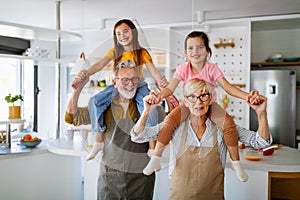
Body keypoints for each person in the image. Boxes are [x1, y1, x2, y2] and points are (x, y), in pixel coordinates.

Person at [143, 31, 263, 181]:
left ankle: (236, 163)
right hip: (188, 105)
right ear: (185, 53)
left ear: (207, 51)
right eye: (191, 48)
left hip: (210, 105)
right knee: (169, 122)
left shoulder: (212, 68)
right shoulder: (182, 69)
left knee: (229, 124)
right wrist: (160, 95)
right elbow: (170, 88)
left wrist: (247, 96)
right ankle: (156, 158)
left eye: (200, 47)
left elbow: (228, 87)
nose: (195, 51)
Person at [131, 79, 272, 199]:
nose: (198, 102)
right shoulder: (175, 126)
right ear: (185, 101)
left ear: (210, 99)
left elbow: (261, 142)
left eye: (203, 96)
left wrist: (261, 114)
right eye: (192, 97)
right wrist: (146, 112)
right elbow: (137, 136)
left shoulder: (222, 126)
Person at [71, 19, 168, 160]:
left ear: (133, 32)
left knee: (150, 109)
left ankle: (152, 148)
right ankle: (98, 141)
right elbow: (99, 65)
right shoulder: (115, 51)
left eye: (126, 31)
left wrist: (161, 81)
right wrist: (85, 74)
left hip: (138, 84)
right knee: (94, 101)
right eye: (118, 33)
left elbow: (153, 71)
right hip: (118, 84)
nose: (122, 35)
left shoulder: (141, 52)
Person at [65, 60, 162, 199]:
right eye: (125, 80)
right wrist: (77, 90)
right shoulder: (103, 106)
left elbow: (168, 124)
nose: (130, 84)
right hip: (110, 178)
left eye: (134, 79)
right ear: (114, 82)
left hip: (141, 178)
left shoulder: (147, 105)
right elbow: (73, 118)